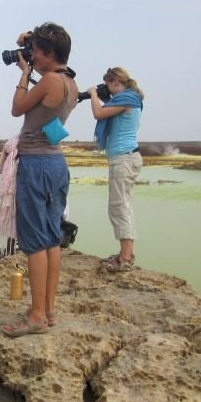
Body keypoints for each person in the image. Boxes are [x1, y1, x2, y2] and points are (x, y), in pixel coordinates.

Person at [1, 22, 77, 337]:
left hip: (35, 164)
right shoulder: (70, 83)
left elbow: (17, 109)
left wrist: (22, 72)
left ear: (48, 54)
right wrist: (28, 43)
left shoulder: (47, 81)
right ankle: (48, 310)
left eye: (36, 53)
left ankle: (35, 317)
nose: (33, 57)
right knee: (51, 238)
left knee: (34, 242)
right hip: (57, 162)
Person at [86, 67, 145, 272]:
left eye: (109, 85)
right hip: (125, 157)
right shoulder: (129, 99)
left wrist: (93, 94)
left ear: (117, 80)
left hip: (124, 158)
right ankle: (125, 253)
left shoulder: (128, 98)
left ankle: (126, 258)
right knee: (121, 206)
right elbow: (107, 110)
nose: (109, 91)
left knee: (119, 207)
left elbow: (98, 113)